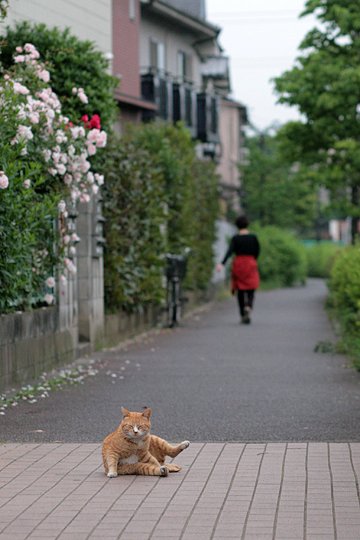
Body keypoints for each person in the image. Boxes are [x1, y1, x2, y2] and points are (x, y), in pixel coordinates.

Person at [217, 215, 260, 324]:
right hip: (250, 263)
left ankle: (242, 313)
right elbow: (257, 251)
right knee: (251, 287)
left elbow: (229, 252)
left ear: (237, 226)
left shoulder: (235, 238)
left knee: (240, 289)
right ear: (247, 224)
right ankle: (249, 306)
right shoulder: (253, 238)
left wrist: (221, 264)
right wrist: (252, 260)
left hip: (239, 264)